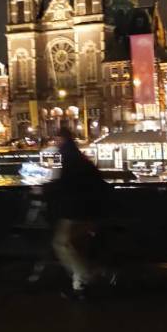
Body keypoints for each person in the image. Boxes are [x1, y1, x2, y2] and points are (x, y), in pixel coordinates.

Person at [46, 126, 112, 298]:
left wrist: (43, 190)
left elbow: (56, 181)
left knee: (61, 243)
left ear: (60, 139)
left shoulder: (61, 157)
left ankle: (88, 275)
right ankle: (79, 285)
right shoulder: (80, 157)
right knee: (78, 246)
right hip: (93, 209)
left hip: (74, 210)